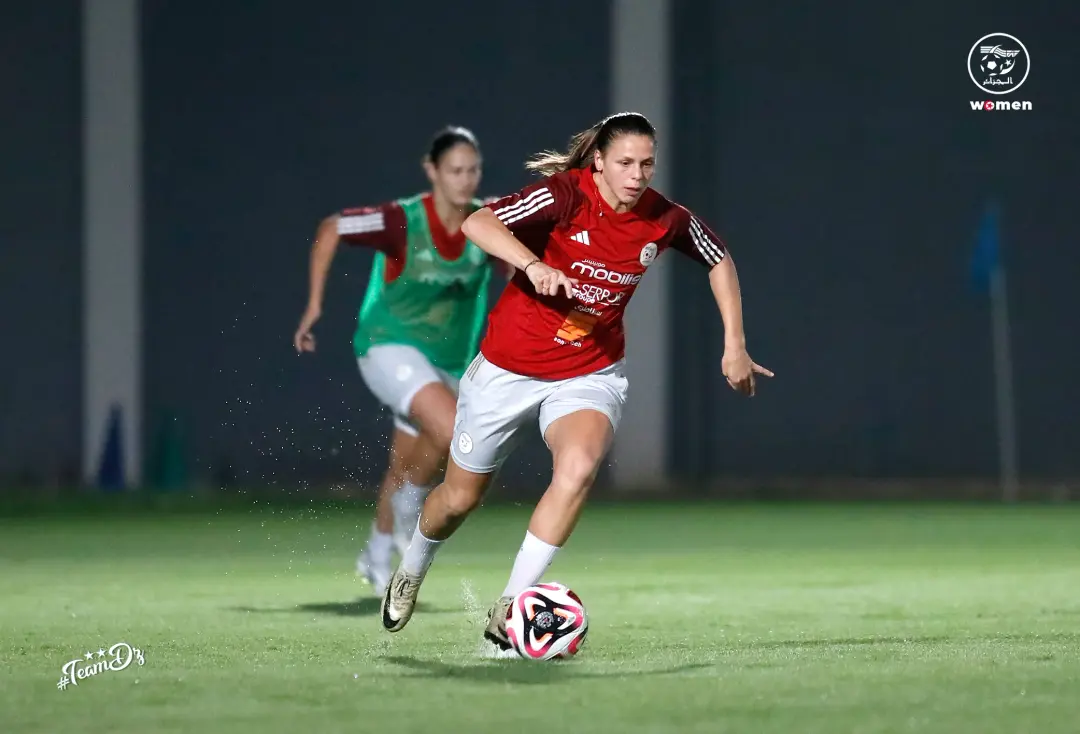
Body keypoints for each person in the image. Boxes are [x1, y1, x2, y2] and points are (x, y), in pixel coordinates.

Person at [379, 112, 773, 651]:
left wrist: (735, 345)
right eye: (626, 163)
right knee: (458, 499)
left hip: (589, 372)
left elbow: (718, 257)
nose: (637, 175)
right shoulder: (564, 196)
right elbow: (478, 222)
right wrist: (531, 264)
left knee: (580, 466)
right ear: (600, 163)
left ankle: (509, 610)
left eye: (647, 164)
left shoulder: (664, 218)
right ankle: (413, 567)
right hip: (505, 371)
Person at [294, 125, 502, 596]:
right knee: (450, 431)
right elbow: (331, 228)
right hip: (389, 345)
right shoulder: (403, 220)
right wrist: (314, 304)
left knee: (405, 464)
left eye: (473, 170)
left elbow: (518, 259)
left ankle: (375, 552)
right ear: (431, 171)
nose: (465, 179)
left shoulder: (487, 222)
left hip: (449, 361)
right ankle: (411, 510)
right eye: (455, 170)